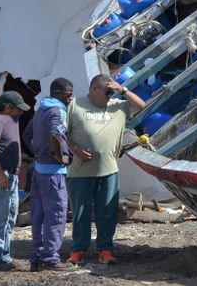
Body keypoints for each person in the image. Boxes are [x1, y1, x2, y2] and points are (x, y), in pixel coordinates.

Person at [66, 75, 144, 265]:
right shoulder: (75, 105)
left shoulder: (118, 105)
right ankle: (78, 249)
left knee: (107, 213)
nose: (110, 96)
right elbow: (63, 133)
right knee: (81, 213)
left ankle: (105, 249)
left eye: (111, 92)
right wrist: (75, 150)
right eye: (107, 92)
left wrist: (121, 89)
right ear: (94, 89)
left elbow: (141, 105)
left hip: (108, 170)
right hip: (80, 171)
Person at [22, 78, 76, 271]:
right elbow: (55, 134)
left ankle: (37, 256)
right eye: (69, 95)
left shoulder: (41, 110)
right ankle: (51, 258)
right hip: (54, 173)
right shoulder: (57, 111)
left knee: (38, 215)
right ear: (59, 94)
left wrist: (39, 152)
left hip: (39, 171)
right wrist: (59, 156)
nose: (71, 99)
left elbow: (27, 135)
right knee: (56, 215)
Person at [0, 91, 30, 272]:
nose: (21, 112)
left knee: (9, 216)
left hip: (10, 174)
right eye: (18, 108)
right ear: (8, 107)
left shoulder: (10, 120)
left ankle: (3, 255)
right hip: (1, 175)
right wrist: (0, 173)